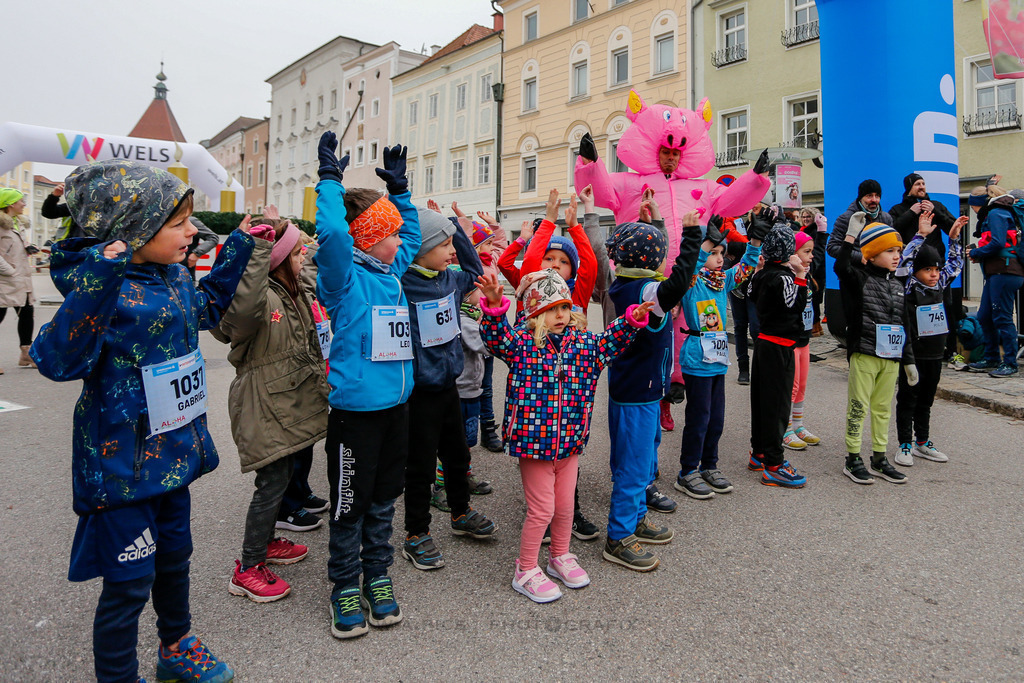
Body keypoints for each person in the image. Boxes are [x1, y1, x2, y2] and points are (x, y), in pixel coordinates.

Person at [31, 159, 251, 682]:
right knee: (128, 583)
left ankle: (176, 647)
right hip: (122, 466)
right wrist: (101, 278)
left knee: (175, 561)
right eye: (177, 223)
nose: (191, 232)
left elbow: (208, 309)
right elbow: (57, 360)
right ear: (130, 230)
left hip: (173, 455)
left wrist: (241, 246)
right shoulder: (99, 285)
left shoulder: (172, 276)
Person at [477, 269, 653, 600]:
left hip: (570, 442)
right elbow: (495, 337)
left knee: (564, 507)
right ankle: (525, 568)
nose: (559, 315)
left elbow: (610, 341)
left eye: (564, 307)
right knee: (541, 509)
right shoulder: (522, 344)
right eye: (550, 309)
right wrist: (494, 304)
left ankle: (559, 556)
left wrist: (631, 320)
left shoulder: (585, 345)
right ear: (534, 313)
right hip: (534, 444)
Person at [314, 132, 418, 639]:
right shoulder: (345, 278)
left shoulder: (391, 273)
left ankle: (377, 576)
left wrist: (399, 191)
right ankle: (343, 586)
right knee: (349, 504)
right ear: (369, 236)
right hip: (355, 417)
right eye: (391, 233)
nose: (401, 243)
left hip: (396, 410)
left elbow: (415, 239)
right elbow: (333, 236)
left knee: (382, 502)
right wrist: (330, 182)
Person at [210, 217, 329, 603]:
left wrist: (327, 236)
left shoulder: (292, 289)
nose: (302, 258)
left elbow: (311, 272)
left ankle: (268, 542)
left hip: (289, 399)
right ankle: (247, 567)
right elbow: (241, 311)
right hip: (264, 402)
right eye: (294, 253)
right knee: (272, 481)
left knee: (287, 471)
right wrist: (258, 252)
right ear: (274, 260)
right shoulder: (260, 298)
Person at [497, 189, 603, 540]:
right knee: (541, 450)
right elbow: (528, 263)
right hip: (534, 382)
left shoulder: (578, 292)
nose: (554, 265)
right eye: (548, 258)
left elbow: (590, 263)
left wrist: (575, 227)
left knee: (567, 448)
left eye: (562, 261)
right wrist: (546, 221)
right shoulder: (532, 285)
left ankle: (569, 511)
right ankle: (540, 513)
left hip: (572, 380)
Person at [602, 210, 702, 570]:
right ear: (654, 259)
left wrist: (658, 227)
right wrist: (691, 235)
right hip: (637, 396)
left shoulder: (626, 281)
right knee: (633, 466)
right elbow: (676, 282)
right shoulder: (645, 290)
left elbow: (661, 275)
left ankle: (637, 518)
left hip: (638, 390)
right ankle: (619, 536)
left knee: (640, 460)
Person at [401, 205, 497, 573]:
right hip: (420, 391)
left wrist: (456, 228)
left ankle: (460, 512)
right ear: (420, 248)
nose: (451, 250)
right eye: (443, 244)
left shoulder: (450, 279)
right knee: (420, 466)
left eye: (451, 244)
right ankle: (416, 532)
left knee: (457, 455)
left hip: (449, 386)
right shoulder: (404, 283)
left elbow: (474, 272)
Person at [673, 211, 768, 500]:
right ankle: (687, 471)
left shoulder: (721, 281)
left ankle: (709, 465)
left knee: (716, 419)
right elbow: (690, 265)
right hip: (696, 357)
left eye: (720, 252)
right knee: (698, 417)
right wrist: (703, 244)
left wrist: (754, 241)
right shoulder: (692, 283)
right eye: (712, 252)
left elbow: (746, 267)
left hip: (717, 359)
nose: (717, 257)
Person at [834, 214, 915, 485]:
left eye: (898, 251)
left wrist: (909, 360)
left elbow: (904, 324)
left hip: (890, 357)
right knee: (858, 406)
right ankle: (853, 457)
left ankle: (879, 457)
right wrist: (849, 238)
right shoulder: (858, 278)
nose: (896, 256)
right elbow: (841, 267)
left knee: (882, 408)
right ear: (872, 253)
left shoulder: (897, 285)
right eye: (890, 250)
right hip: (865, 352)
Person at [894, 210, 966, 466]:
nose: (934, 274)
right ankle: (904, 443)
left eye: (936, 269)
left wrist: (954, 239)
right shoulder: (909, 285)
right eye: (927, 269)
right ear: (916, 271)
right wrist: (920, 236)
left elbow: (956, 265)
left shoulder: (939, 284)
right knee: (908, 399)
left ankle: (922, 442)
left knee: (926, 400)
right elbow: (903, 264)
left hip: (936, 354)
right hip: (914, 353)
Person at [966, 185, 1023, 377]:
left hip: (1005, 271)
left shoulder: (996, 214)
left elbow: (998, 242)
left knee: (1002, 318)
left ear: (980, 204)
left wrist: (975, 252)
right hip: (997, 272)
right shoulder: (1000, 212)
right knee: (984, 316)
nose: (974, 211)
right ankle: (991, 357)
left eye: (973, 207)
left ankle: (1010, 362)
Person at [781, 230, 821, 451]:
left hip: (804, 338)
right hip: (790, 339)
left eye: (811, 251)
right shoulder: (787, 276)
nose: (811, 256)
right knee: (792, 385)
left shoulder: (808, 273)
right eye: (807, 252)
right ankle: (785, 428)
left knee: (802, 384)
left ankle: (798, 424)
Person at [0, 188, 38, 371]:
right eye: (20, 201)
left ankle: (26, 354)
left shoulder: (17, 223)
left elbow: (14, 247)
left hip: (21, 278)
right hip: (5, 279)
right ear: (10, 205)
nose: (23, 203)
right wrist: (11, 271)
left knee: (26, 313)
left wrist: (31, 248)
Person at [826, 179, 894, 261]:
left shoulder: (886, 218)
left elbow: (892, 244)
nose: (874, 200)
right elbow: (832, 247)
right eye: (869, 196)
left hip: (880, 270)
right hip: (856, 270)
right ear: (860, 198)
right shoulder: (846, 218)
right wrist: (860, 257)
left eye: (877, 196)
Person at [798, 207, 828, 336]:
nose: (805, 219)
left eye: (808, 217)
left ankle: (815, 326)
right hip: (808, 269)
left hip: (815, 271)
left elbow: (818, 253)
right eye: (803, 217)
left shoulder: (814, 232)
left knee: (814, 299)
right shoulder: (803, 231)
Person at [186, 215, 220, 280]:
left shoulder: (190, 221)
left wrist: (196, 253)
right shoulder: (163, 221)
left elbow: (213, 238)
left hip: (185, 275)